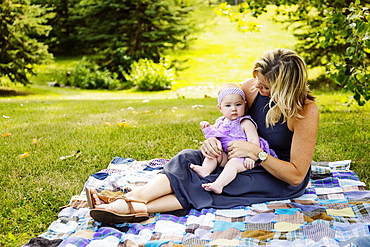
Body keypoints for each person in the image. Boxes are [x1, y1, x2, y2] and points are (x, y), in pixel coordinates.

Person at [87, 48, 319, 224]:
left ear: (285, 87)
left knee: (216, 182)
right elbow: (232, 121)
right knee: (188, 159)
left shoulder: (304, 112)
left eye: (265, 87)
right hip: (237, 156)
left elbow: (296, 175)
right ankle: (134, 199)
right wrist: (214, 141)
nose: (258, 89)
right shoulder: (251, 87)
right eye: (257, 83)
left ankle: (125, 207)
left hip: (275, 173)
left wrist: (256, 153)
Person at [190, 84, 277, 194]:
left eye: (238, 104)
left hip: (244, 158)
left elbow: (254, 140)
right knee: (215, 154)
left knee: (233, 164)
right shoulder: (220, 122)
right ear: (220, 108)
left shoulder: (245, 122)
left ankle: (218, 185)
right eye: (228, 106)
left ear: (245, 105)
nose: (234, 109)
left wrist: (251, 156)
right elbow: (213, 135)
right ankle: (206, 170)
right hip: (228, 155)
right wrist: (206, 128)